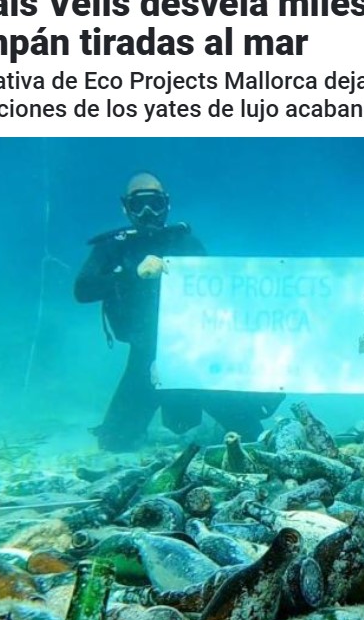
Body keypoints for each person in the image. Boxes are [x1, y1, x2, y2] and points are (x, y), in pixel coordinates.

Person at [75, 172, 284, 451]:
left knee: (249, 432)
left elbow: (215, 290)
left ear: (167, 205)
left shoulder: (184, 243)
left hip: (190, 351)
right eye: (139, 205)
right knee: (115, 441)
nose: (148, 212)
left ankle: (246, 411)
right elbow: (83, 290)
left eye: (155, 203)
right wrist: (131, 274)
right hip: (144, 353)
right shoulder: (112, 248)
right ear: (125, 207)